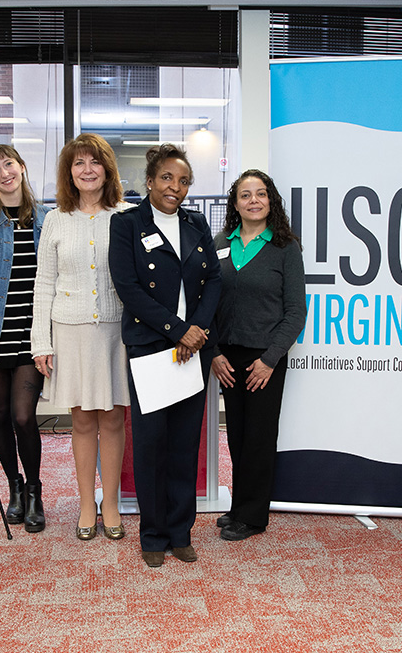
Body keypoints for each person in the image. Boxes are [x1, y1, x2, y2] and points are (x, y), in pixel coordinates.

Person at [108, 145, 221, 567]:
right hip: (153, 348)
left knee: (184, 444)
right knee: (152, 444)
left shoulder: (195, 223)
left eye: (184, 181)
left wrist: (197, 333)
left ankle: (180, 531)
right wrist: (179, 330)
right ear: (151, 180)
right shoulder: (127, 224)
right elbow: (129, 288)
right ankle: (153, 536)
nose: (176, 187)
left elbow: (212, 281)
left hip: (192, 350)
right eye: (168, 178)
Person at [31, 134, 131, 541]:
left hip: (116, 332)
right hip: (68, 331)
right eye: (79, 163)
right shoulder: (55, 219)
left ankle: (111, 501)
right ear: (68, 173)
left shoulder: (127, 215)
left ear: (107, 169)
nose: (87, 169)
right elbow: (44, 283)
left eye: (95, 162)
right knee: (82, 418)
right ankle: (86, 503)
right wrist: (41, 342)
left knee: (113, 416)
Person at [210, 170, 305, 541]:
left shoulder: (285, 247)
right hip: (226, 357)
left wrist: (269, 360)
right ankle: (239, 507)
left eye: (260, 194)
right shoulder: (221, 241)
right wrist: (214, 352)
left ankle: (253, 516)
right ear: (235, 203)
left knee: (259, 437)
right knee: (236, 436)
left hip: (265, 357)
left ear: (271, 201)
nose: (253, 200)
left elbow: (296, 311)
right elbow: (206, 303)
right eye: (245, 195)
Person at [0, 145, 49, 532]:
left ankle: (34, 490)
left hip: (30, 334)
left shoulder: (47, 219)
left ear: (22, 167)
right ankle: (14, 489)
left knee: (23, 415)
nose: (4, 174)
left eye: (9, 165)